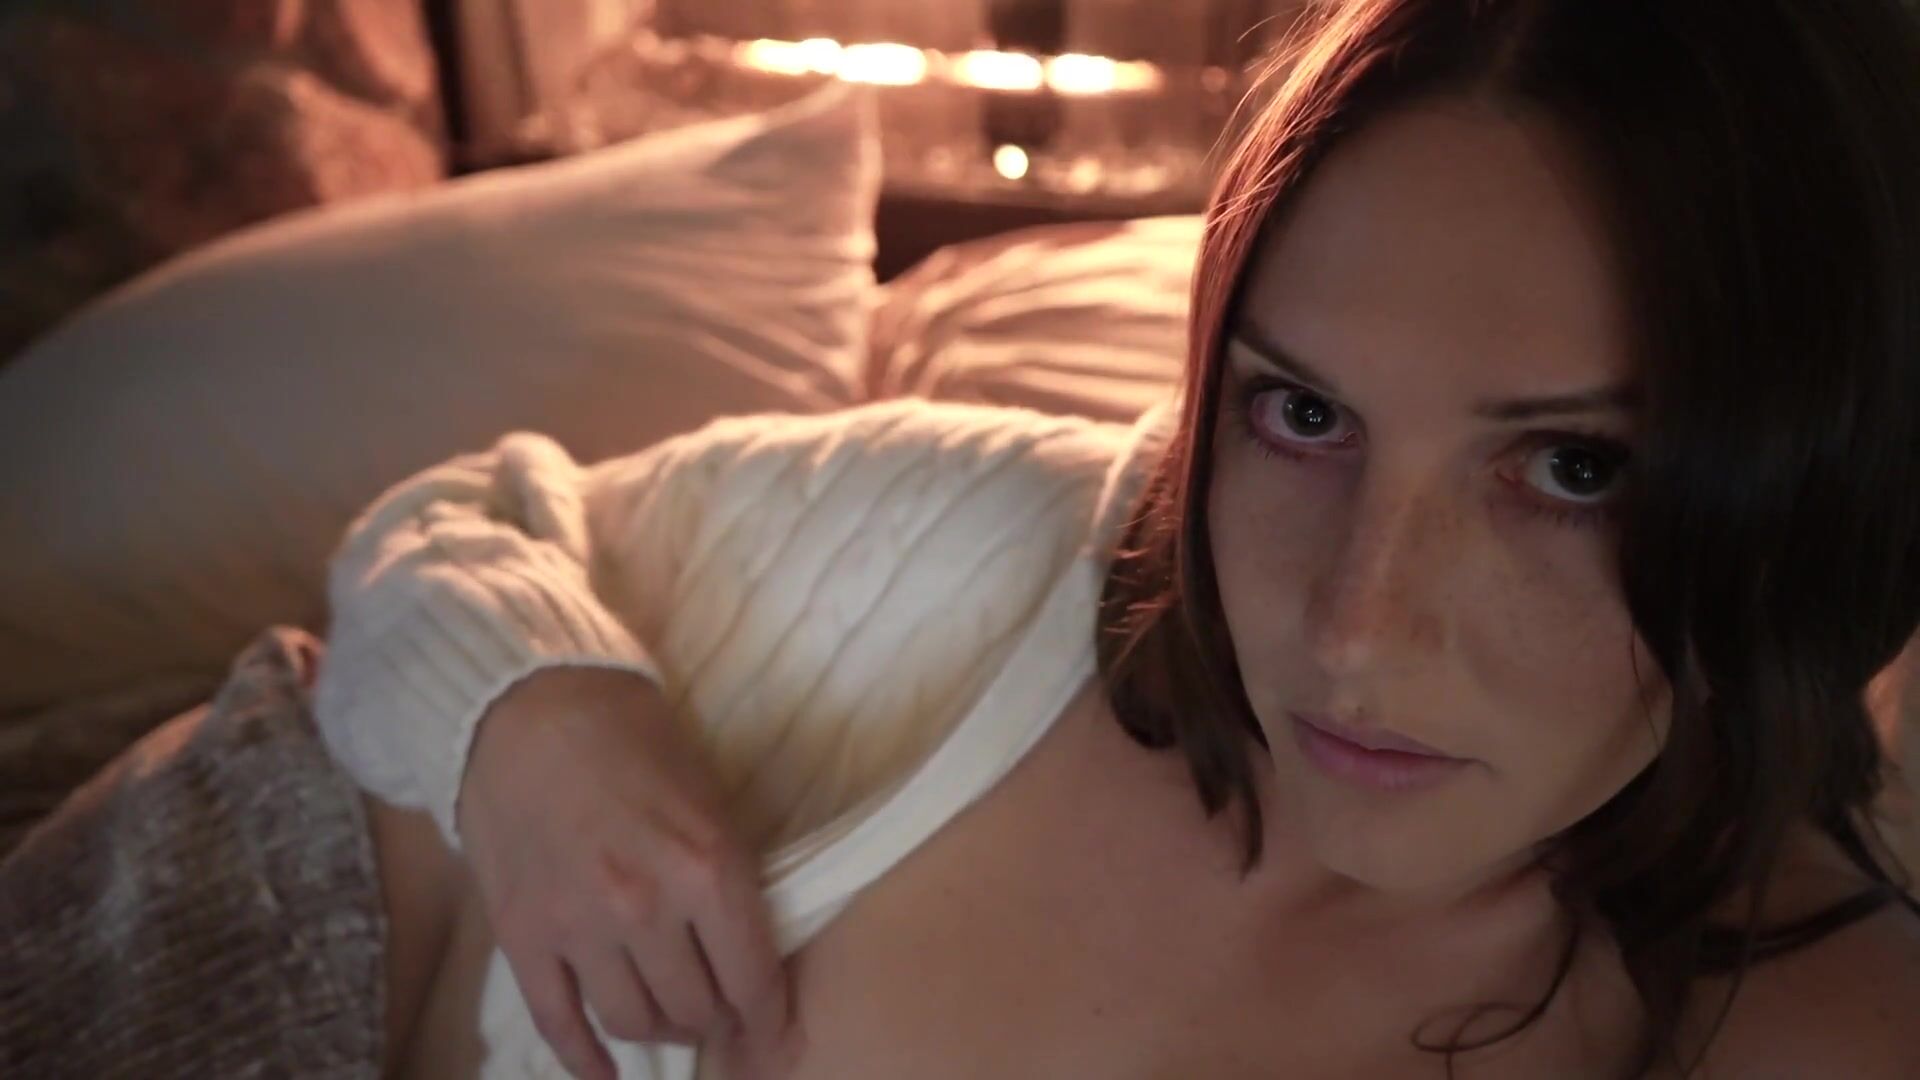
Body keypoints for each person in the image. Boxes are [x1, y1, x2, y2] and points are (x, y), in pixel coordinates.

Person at [312, 1, 1920, 1077]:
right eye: (1303, 414)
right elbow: (450, 523)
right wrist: (532, 721)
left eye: (1574, 467)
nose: (1354, 634)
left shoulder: (1812, 1009)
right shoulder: (1013, 545)